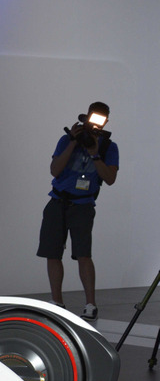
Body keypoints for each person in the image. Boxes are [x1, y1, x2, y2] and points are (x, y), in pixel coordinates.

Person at [36, 101, 119, 321]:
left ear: (106, 121)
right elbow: (54, 170)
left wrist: (95, 154)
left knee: (83, 254)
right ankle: (57, 302)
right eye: (94, 117)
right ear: (86, 116)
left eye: (101, 119)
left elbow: (110, 178)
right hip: (57, 201)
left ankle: (90, 304)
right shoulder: (66, 139)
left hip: (83, 205)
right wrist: (73, 142)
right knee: (53, 253)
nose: (97, 123)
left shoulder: (109, 147)